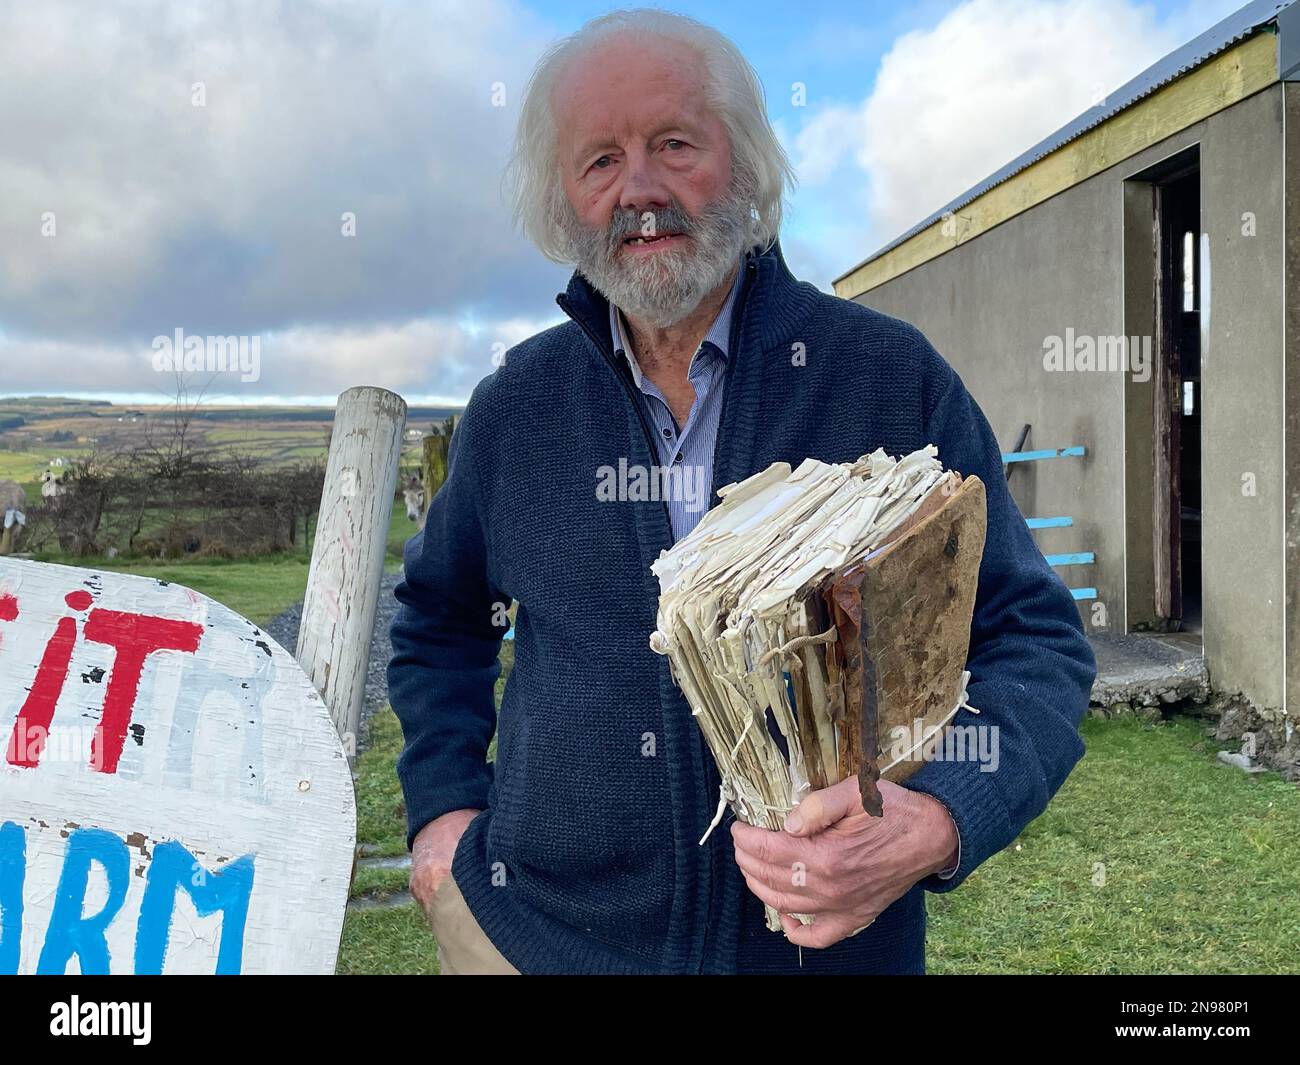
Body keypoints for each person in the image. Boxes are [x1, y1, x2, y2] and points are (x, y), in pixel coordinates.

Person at [388, 8, 1095, 975]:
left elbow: (1036, 639)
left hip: (824, 956)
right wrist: (442, 816)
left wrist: (938, 820)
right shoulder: (516, 407)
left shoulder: (888, 379)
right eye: (599, 160)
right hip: (535, 944)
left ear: (748, 165)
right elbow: (438, 620)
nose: (638, 189)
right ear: (564, 200)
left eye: (674, 144)